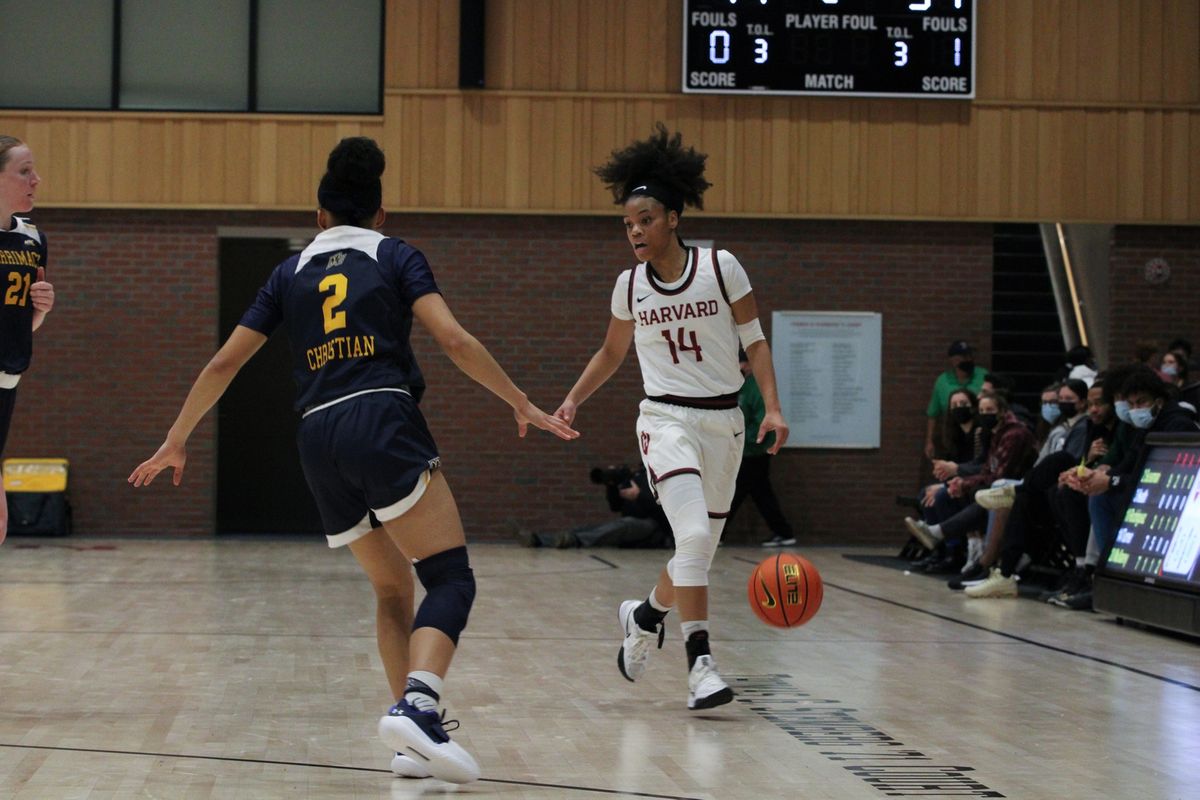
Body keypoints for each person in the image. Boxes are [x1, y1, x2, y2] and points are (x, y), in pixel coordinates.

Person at [128, 137, 578, 783]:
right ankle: (420, 706)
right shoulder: (394, 254)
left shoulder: (289, 273)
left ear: (318, 217)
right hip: (382, 420)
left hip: (317, 438)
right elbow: (451, 337)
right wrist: (519, 401)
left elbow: (225, 360)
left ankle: (410, 741)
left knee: (393, 589)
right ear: (380, 213)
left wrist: (177, 437)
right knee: (451, 578)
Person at [554, 123, 788, 710]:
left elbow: (755, 341)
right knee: (695, 536)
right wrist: (574, 397)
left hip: (725, 425)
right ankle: (701, 666)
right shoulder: (628, 286)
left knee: (696, 551)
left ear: (674, 218)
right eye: (628, 223)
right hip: (665, 421)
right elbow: (612, 353)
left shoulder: (720, 266)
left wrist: (775, 408)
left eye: (646, 219)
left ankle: (644, 614)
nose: (635, 230)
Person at [0, 136, 55, 546]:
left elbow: (21, 325)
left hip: (9, 378)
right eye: (24, 171)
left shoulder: (32, 239)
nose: (35, 179)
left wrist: (39, 311)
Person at [730, 348, 796, 547]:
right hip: (744, 451)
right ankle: (783, 532)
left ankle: (718, 534)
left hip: (754, 452)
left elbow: (761, 422)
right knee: (760, 493)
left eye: (741, 363)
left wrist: (744, 439)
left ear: (749, 364)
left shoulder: (755, 388)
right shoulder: (740, 386)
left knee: (735, 493)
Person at [518, 464, 672, 549]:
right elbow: (616, 507)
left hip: (655, 527)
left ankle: (573, 540)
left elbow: (665, 513)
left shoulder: (662, 478)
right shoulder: (637, 475)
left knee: (624, 525)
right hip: (631, 523)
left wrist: (639, 496)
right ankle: (540, 539)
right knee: (592, 529)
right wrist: (611, 485)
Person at [924, 340, 987, 459]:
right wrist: (929, 441)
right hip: (952, 436)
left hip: (979, 435)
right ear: (954, 360)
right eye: (964, 356)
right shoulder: (943, 381)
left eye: (970, 356)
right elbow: (932, 413)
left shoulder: (983, 376)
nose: (968, 359)